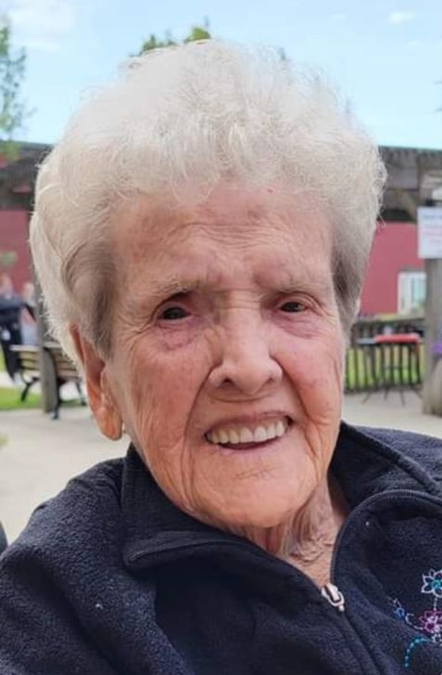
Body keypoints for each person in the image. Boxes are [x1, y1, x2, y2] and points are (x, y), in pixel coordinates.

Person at [0, 41, 441, 675]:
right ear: (100, 379)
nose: (250, 365)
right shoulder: (58, 601)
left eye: (291, 303)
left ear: (338, 331)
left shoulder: (430, 489)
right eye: (176, 310)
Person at [0, 273, 23, 380]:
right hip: (5, 331)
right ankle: (12, 372)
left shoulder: (14, 296)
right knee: (8, 352)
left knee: (19, 350)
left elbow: (19, 303)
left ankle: (18, 370)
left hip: (16, 329)